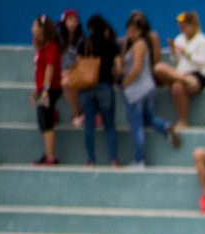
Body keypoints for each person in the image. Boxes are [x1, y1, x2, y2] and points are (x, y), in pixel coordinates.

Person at [119, 11, 179, 167]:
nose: (128, 33)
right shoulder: (136, 44)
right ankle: (165, 126)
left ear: (138, 30)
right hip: (148, 88)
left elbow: (136, 68)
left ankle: (139, 160)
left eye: (131, 30)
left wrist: (125, 82)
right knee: (148, 118)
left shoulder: (139, 45)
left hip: (137, 91)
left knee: (136, 126)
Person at [153, 10, 205, 128]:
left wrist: (186, 54)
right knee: (159, 68)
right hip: (181, 75)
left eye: (185, 26)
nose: (182, 29)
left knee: (177, 86)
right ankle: (184, 80)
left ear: (193, 25)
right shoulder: (179, 38)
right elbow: (175, 60)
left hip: (197, 75)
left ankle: (182, 121)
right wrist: (173, 50)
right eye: (181, 26)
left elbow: (203, 61)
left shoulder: (202, 39)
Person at [78, 14, 121, 168]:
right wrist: (117, 79)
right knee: (109, 125)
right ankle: (114, 160)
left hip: (86, 87)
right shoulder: (111, 44)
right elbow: (118, 66)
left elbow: (78, 64)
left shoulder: (84, 43)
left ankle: (90, 160)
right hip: (105, 86)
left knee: (89, 125)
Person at [31, 16, 62, 166]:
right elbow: (40, 69)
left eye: (35, 25)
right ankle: (47, 153)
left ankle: (51, 156)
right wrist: (37, 90)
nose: (32, 28)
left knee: (47, 121)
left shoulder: (51, 47)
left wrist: (45, 90)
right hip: (43, 88)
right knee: (43, 120)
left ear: (42, 29)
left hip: (51, 88)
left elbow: (50, 68)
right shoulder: (39, 45)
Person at [56, 9, 84, 128]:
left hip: (75, 73)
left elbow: (81, 61)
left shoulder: (81, 39)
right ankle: (78, 113)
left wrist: (70, 71)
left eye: (75, 20)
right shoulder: (58, 39)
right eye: (70, 20)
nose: (73, 23)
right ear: (64, 22)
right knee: (64, 82)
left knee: (66, 83)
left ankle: (77, 113)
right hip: (60, 73)